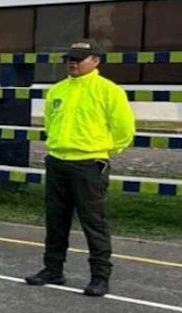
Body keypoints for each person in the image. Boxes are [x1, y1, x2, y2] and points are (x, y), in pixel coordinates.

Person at [25, 39, 135, 297]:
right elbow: (50, 123)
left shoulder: (108, 91)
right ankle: (53, 269)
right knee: (55, 219)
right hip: (58, 161)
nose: (72, 63)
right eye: (69, 59)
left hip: (89, 164)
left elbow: (124, 129)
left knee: (93, 221)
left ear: (95, 61)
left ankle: (99, 276)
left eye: (78, 59)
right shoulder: (58, 90)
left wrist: (102, 149)